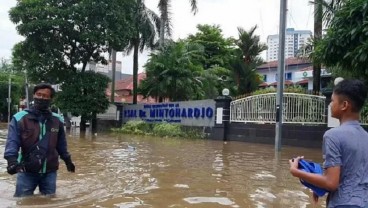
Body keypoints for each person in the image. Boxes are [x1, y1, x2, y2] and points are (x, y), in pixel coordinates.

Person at [289, 79, 368, 208]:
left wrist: (295, 171)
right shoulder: (366, 136)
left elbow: (331, 183)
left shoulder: (333, 135)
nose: (330, 104)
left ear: (344, 105)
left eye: (332, 100)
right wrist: (317, 185)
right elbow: (350, 175)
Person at [3, 83, 75, 197]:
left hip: (50, 171)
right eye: (39, 94)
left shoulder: (57, 120)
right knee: (23, 201)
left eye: (45, 96)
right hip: (27, 170)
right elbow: (12, 141)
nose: (41, 98)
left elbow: (61, 144)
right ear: (34, 95)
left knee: (50, 201)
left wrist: (67, 160)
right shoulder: (19, 118)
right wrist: (11, 161)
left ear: (51, 99)